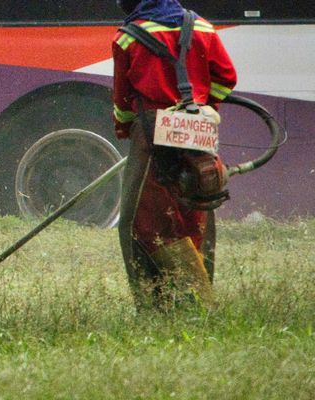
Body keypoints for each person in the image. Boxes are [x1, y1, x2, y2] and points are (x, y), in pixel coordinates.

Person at [112, 0, 237, 311]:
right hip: (198, 136)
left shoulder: (128, 36)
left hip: (151, 137)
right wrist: (200, 108)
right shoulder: (204, 28)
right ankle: (200, 300)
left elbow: (122, 101)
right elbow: (226, 78)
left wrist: (127, 129)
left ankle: (154, 304)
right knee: (197, 212)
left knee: (137, 220)